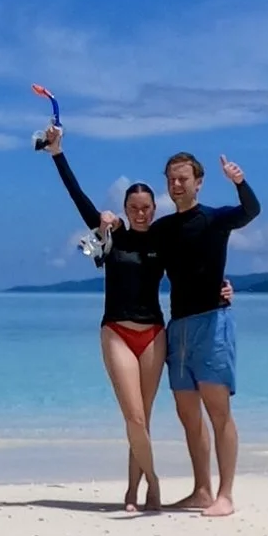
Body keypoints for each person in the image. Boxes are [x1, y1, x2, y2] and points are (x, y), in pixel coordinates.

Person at [37, 124, 169, 512]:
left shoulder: (163, 241)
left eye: (146, 208)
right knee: (134, 417)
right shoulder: (111, 235)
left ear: (154, 209)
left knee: (144, 418)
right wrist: (57, 152)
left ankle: (132, 491)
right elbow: (76, 195)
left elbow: (196, 268)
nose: (140, 213)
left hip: (154, 334)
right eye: (133, 208)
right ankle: (155, 485)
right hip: (117, 331)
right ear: (125, 210)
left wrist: (222, 288)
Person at [156, 150, 258, 515]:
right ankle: (202, 489)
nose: (176, 184)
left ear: (198, 182)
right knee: (188, 415)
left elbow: (250, 211)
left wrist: (239, 181)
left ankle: (225, 495)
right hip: (179, 327)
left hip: (213, 323)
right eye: (171, 179)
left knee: (219, 412)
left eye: (183, 178)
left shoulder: (214, 220)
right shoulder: (163, 229)